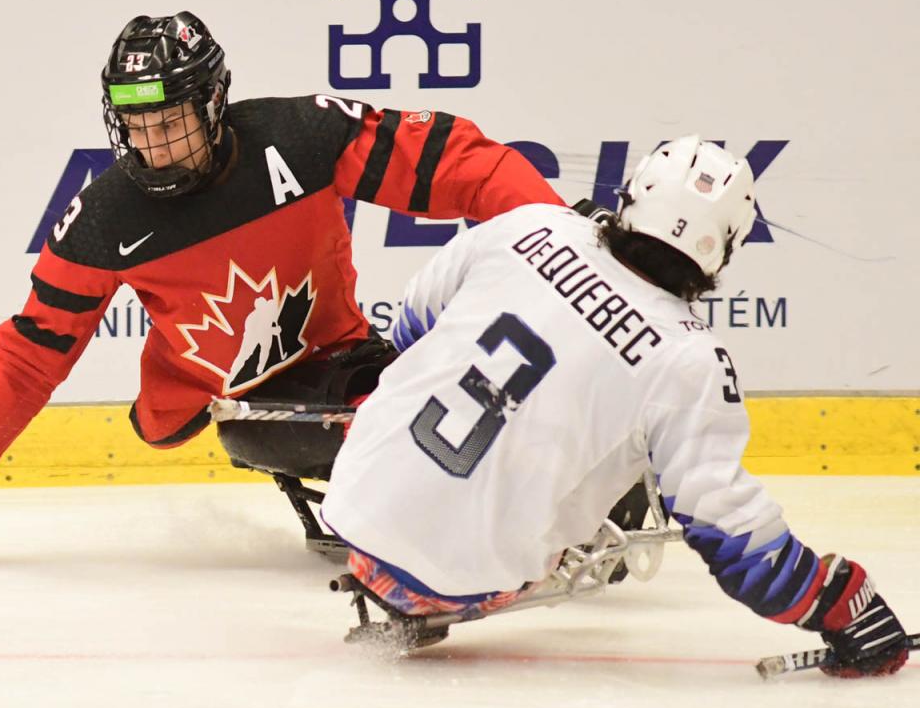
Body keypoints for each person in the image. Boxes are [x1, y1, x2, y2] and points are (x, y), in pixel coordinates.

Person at [0, 11, 566, 561]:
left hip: (348, 367)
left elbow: (454, 163)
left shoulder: (302, 136)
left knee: (474, 335)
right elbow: (32, 352)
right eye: (137, 125)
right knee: (428, 417)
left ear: (213, 102)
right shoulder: (102, 218)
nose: (155, 146)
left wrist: (561, 235)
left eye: (170, 121)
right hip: (250, 411)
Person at [319, 136, 910, 678]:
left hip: (351, 500)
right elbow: (727, 529)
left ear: (633, 197)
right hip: (455, 584)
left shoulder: (528, 226)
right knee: (623, 468)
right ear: (723, 247)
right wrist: (838, 602)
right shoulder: (689, 358)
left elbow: (410, 329)